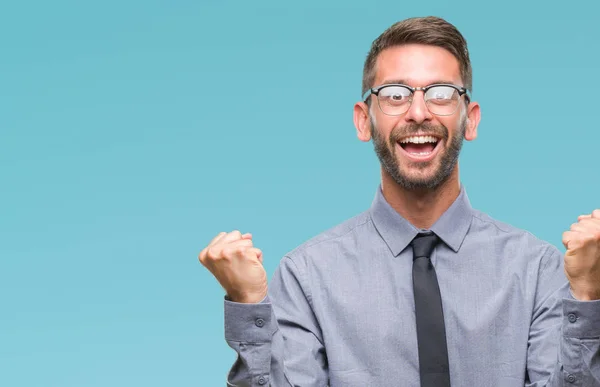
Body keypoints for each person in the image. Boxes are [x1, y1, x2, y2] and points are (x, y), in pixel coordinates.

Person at [199, 16, 600, 386]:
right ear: (363, 119)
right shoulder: (307, 278)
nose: (419, 112)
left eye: (441, 94)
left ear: (471, 119)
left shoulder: (538, 271)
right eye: (394, 95)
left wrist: (587, 295)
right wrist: (249, 304)